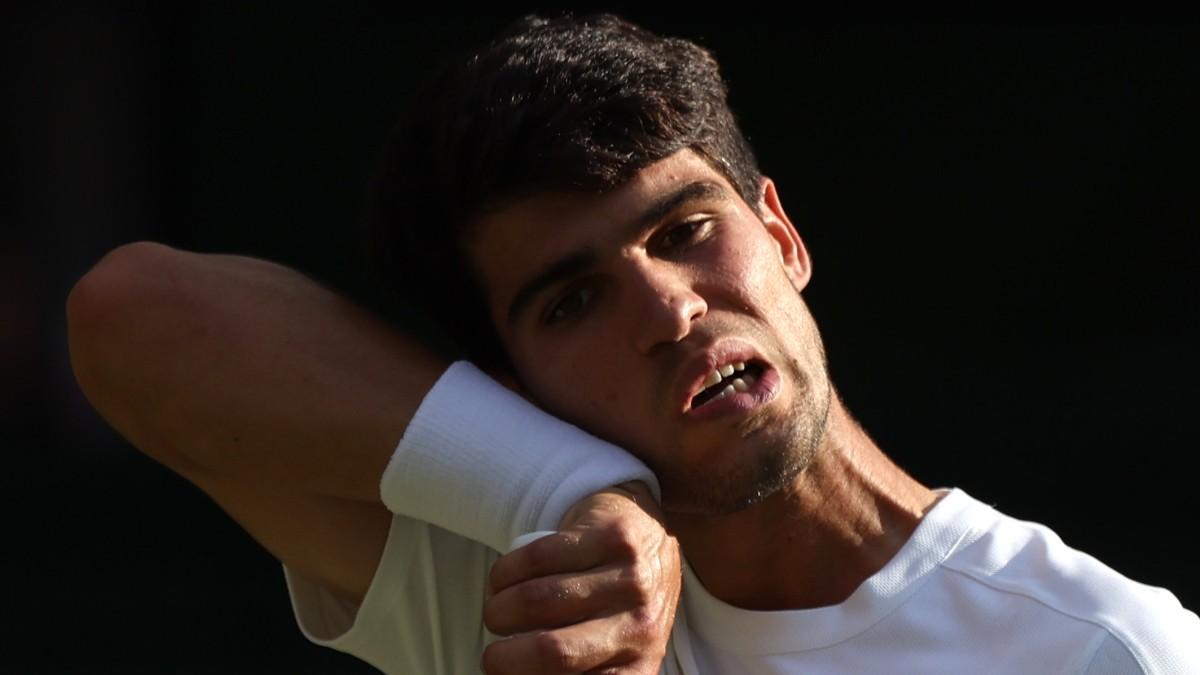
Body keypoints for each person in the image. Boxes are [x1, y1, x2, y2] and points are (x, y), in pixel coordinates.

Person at [66, 13, 1198, 675]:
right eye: (572, 303)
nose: (669, 313)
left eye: (685, 231)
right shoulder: (524, 578)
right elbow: (130, 316)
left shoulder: (1103, 649)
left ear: (784, 237)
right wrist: (572, 490)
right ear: (511, 392)